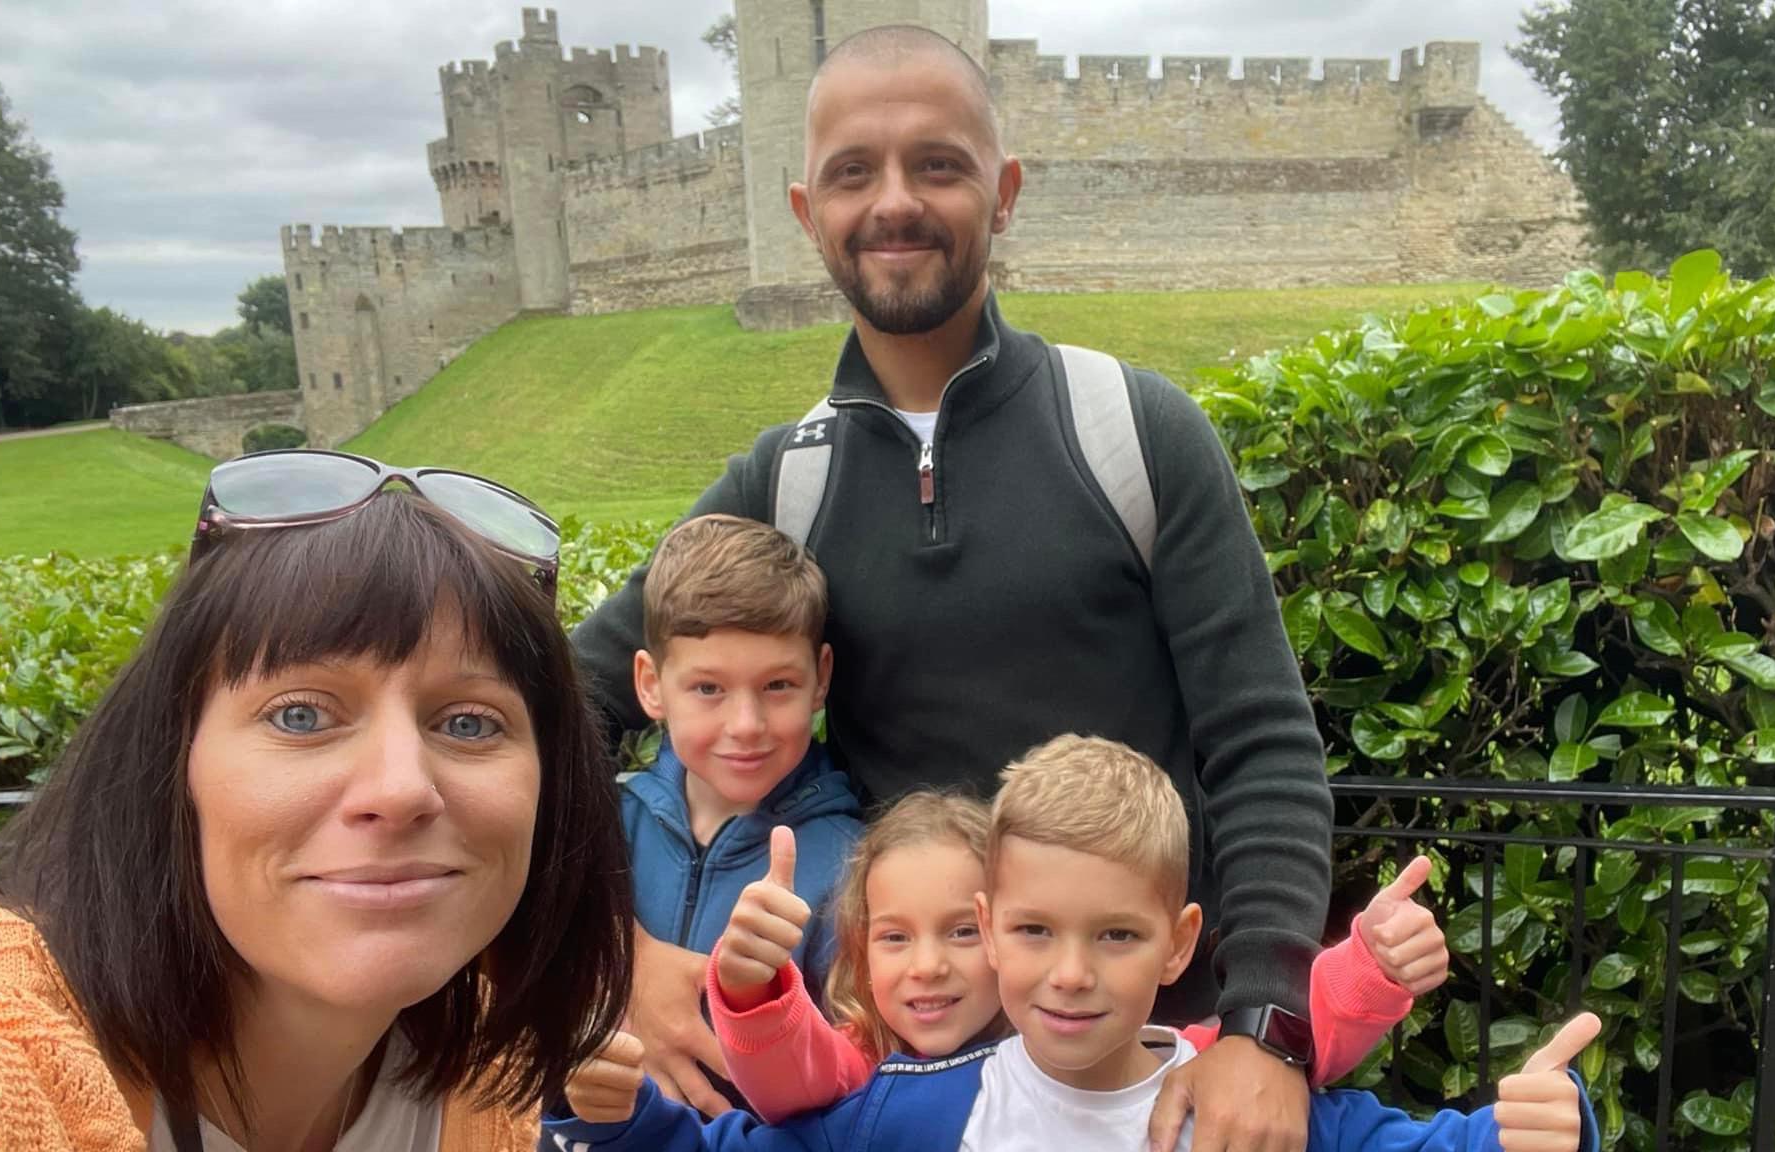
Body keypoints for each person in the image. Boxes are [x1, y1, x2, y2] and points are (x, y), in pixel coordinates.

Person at [569, 24, 1337, 1145]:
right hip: (899, 1098)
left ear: (1002, 189)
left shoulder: (1132, 432)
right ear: (803, 212)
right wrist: (611, 954)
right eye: (852, 172)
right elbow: (548, 714)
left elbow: (1264, 745)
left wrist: (1267, 1029)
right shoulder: (782, 482)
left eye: (936, 164)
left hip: (1144, 1085)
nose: (893, 202)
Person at [0, 449, 633, 1151]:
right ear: (171, 761)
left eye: (467, 723)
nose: (401, 788)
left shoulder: (487, 1074)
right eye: (301, 716)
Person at [539, 736, 1601, 1152]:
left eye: (1117, 935)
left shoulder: (1234, 1103)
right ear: (991, 927)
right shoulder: (914, 1108)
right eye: (1036, 930)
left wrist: (1551, 1127)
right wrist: (612, 1110)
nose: (1072, 973)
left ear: (1181, 944)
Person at [616, 515, 863, 1102]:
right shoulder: (602, 825)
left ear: (820, 678)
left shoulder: (852, 867)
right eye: (709, 689)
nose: (746, 726)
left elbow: (855, 1070)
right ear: (651, 684)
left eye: (778, 686)